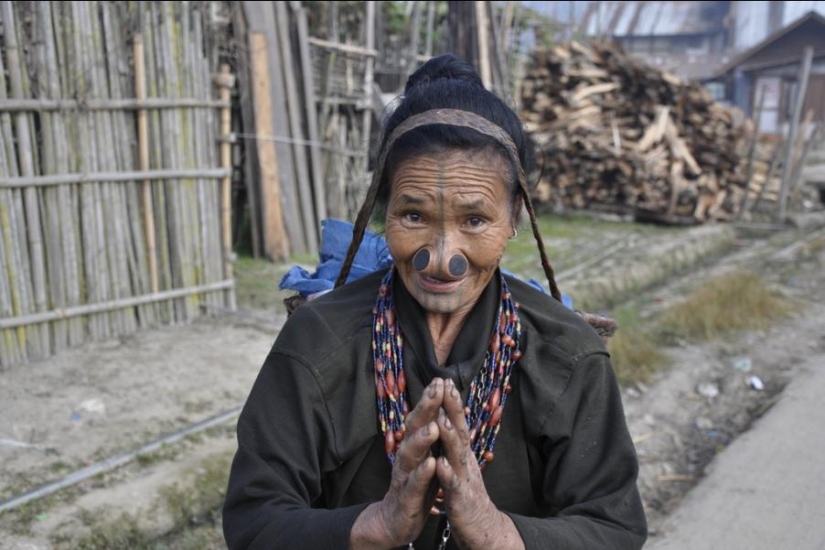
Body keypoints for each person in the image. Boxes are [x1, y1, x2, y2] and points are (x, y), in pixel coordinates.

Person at [223, 54, 647, 550]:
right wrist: (377, 526)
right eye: (413, 215)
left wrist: (496, 532)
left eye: (474, 220)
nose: (443, 259)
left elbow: (615, 529)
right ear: (383, 210)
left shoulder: (568, 356)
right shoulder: (318, 342)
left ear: (515, 216)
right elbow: (254, 521)